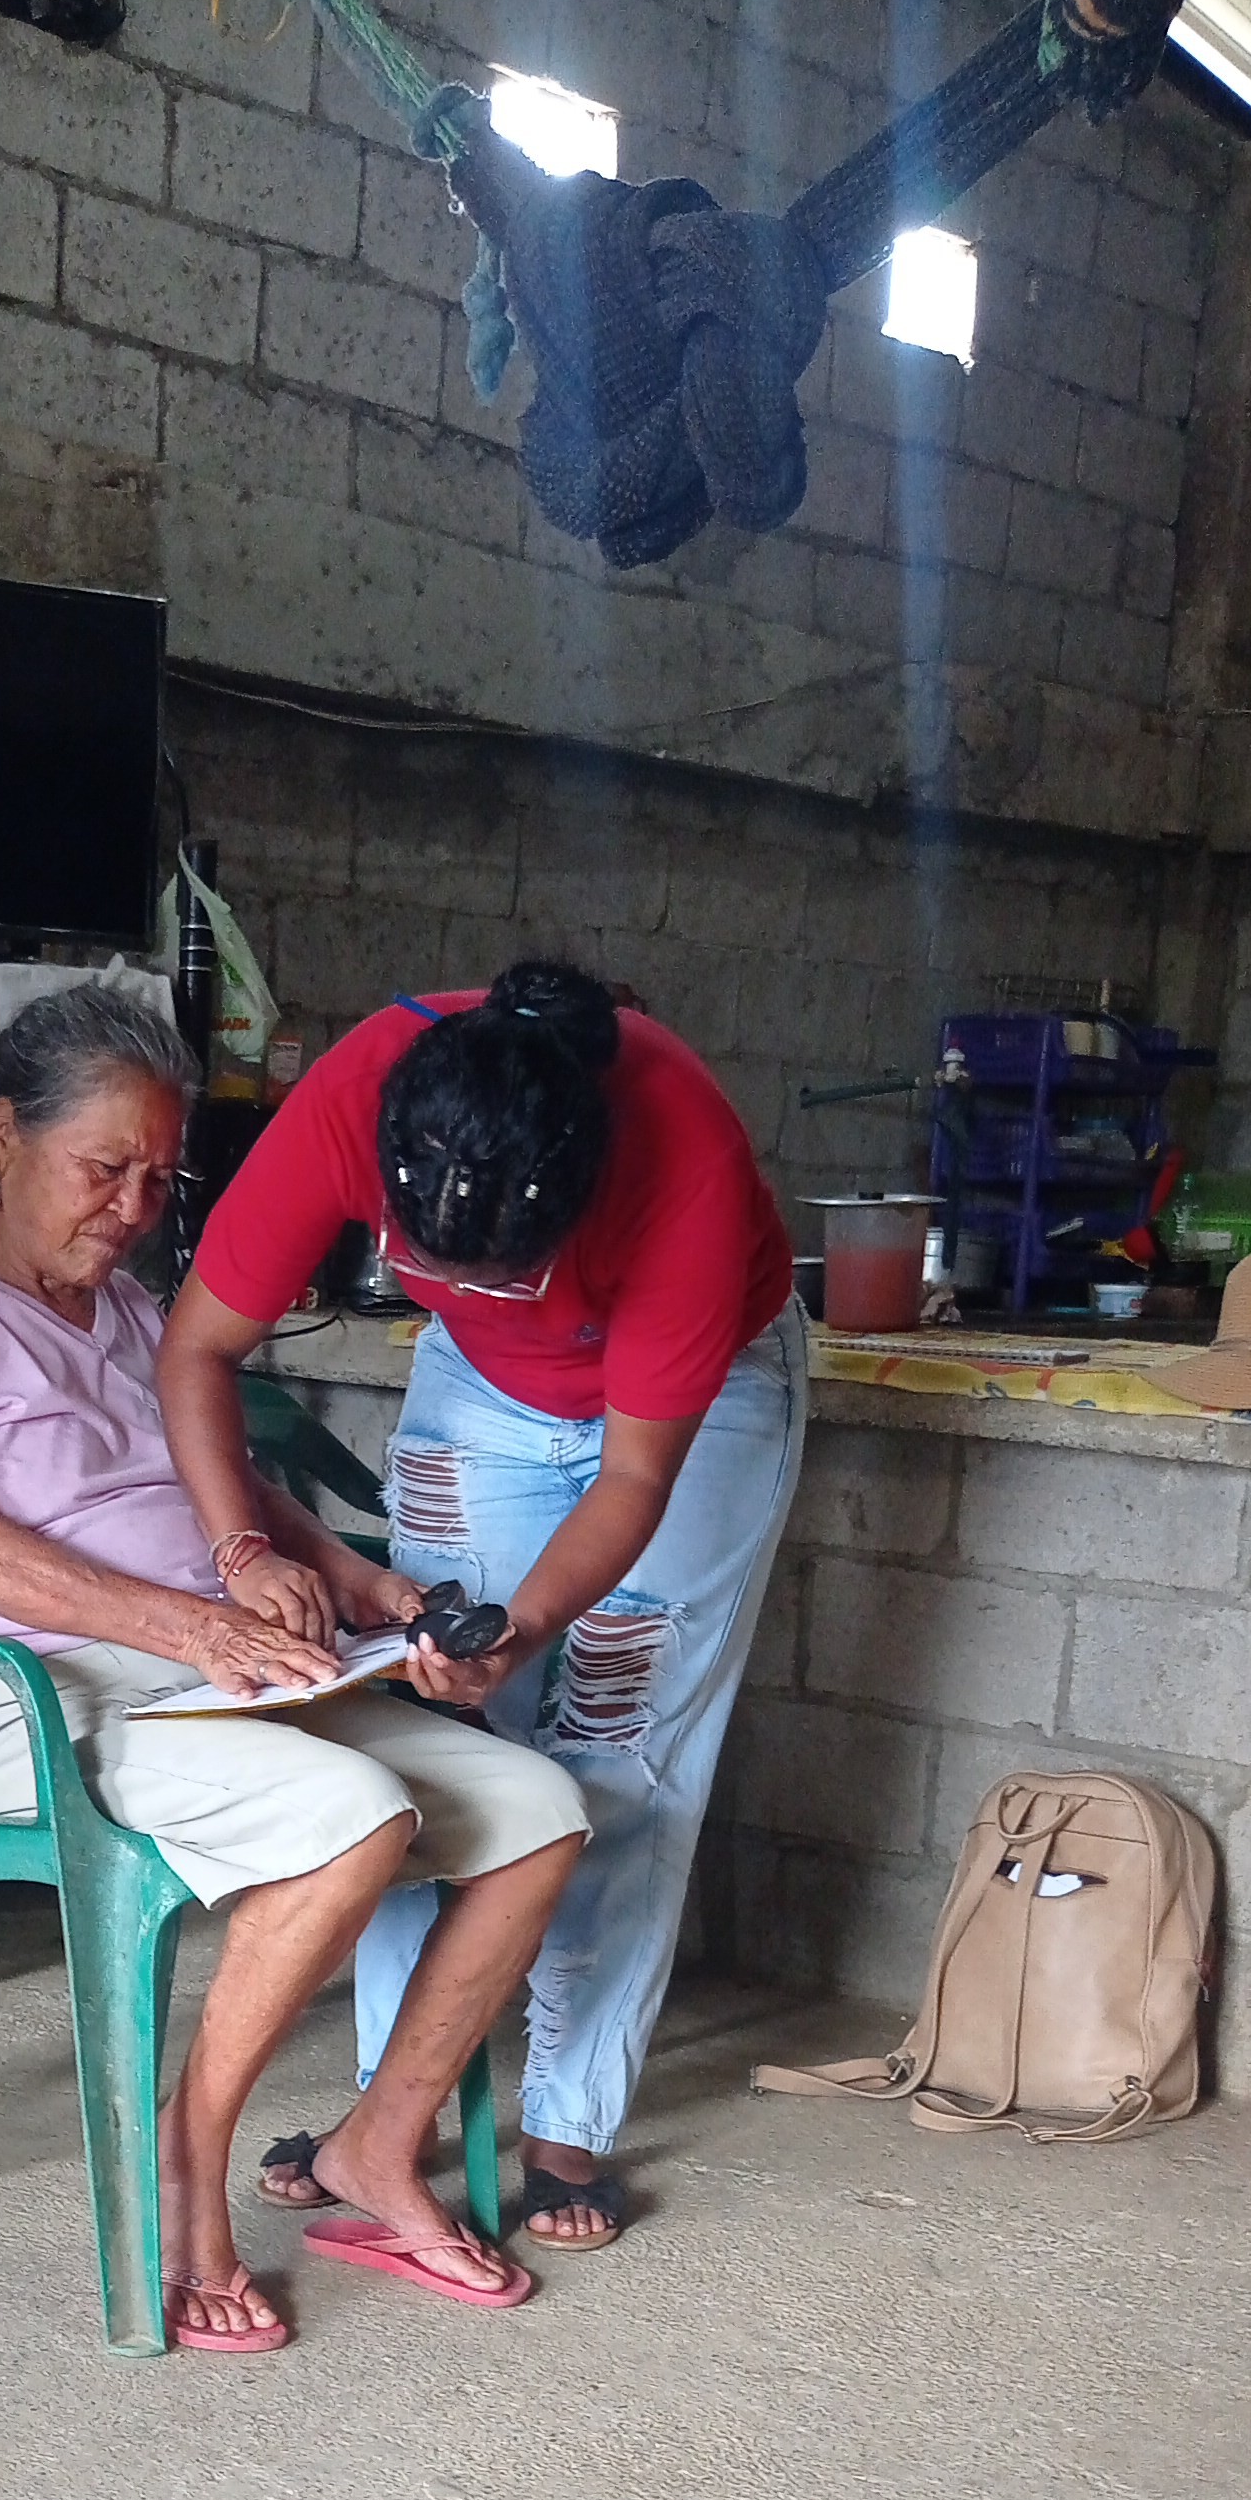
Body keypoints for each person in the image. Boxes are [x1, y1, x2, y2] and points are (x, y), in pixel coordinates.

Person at [0, 985, 588, 2349]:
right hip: (56, 1697)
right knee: (351, 1818)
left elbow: (232, 1484)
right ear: (3, 1139)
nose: (133, 1207)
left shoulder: (132, 1313)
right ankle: (184, 2159)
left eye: (157, 1179)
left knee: (540, 1812)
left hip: (235, 1682)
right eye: (103, 1168)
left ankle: (376, 2146)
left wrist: (369, 1590)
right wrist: (200, 1632)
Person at [159, 961, 805, 2251]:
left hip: (699, 1401)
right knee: (436, 1738)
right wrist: (240, 1551)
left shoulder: (682, 1166)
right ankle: (383, 2119)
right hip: (485, 1396)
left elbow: (634, 1481)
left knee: (621, 1750)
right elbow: (197, 1347)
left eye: (507, 1270)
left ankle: (568, 2127)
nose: (477, 1284)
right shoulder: (357, 1098)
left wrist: (527, 1628)